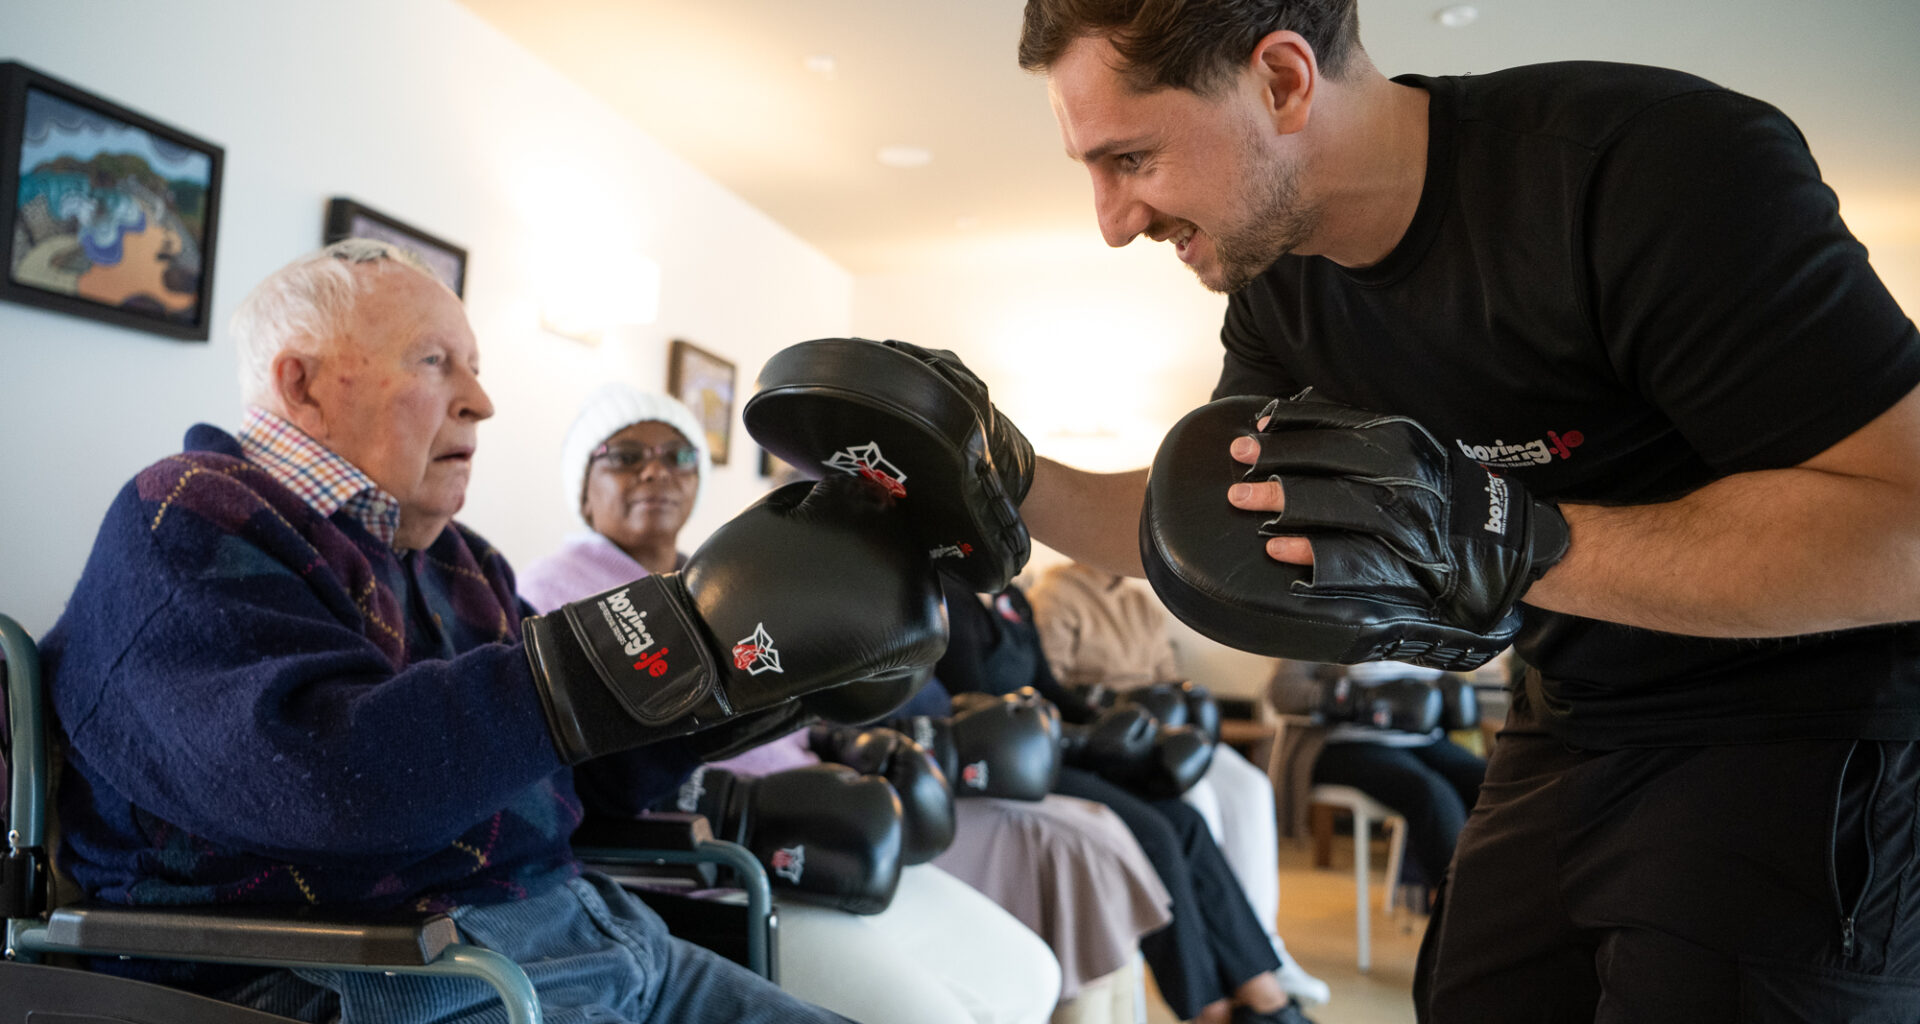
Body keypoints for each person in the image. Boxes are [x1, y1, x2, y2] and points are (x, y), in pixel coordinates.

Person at [994, 2, 1920, 1021]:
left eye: (1130, 159)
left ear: (1282, 82)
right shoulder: (1283, 286)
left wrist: (1518, 539)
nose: (1111, 219)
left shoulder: (1648, 170)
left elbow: (1906, 529)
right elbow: (1211, 518)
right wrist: (1002, 474)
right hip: (1572, 710)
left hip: (1814, 728)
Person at [38, 238, 943, 1024]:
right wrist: (659, 637)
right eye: (437, 362)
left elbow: (590, 769)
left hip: (579, 939)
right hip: (364, 974)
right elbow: (327, 781)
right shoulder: (193, 516)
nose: (481, 399)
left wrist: (770, 676)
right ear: (300, 383)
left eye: (472, 365)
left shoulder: (461, 560)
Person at [519, 383, 1065, 1024]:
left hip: (833, 825)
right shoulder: (548, 594)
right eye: (625, 455)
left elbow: (790, 701)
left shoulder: (724, 572)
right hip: (715, 864)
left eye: (678, 456)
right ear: (583, 487)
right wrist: (744, 808)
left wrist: (846, 738)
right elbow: (581, 770)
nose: (656, 471)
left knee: (1030, 975)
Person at [937, 573, 1316, 1024]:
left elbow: (1048, 688)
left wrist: (1115, 722)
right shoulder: (947, 595)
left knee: (1186, 820)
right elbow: (976, 699)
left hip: (1051, 747)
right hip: (1005, 764)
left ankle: (1261, 989)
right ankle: (1208, 1010)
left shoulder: (1010, 595)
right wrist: (1080, 738)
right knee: (1154, 836)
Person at [1027, 560, 1329, 1008]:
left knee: (1249, 787)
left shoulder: (1140, 601)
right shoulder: (1055, 593)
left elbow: (1168, 675)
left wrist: (1178, 701)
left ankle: (1265, 946)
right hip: (1112, 735)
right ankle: (1215, 959)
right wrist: (1118, 703)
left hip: (1159, 731)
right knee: (1195, 799)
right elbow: (1049, 686)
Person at [1266, 659, 1485, 897]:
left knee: (1493, 783)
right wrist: (1356, 698)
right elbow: (1281, 690)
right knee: (1435, 795)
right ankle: (1456, 912)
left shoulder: (1422, 624)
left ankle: (1501, 903)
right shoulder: (1327, 622)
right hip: (1346, 744)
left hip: (1424, 740)